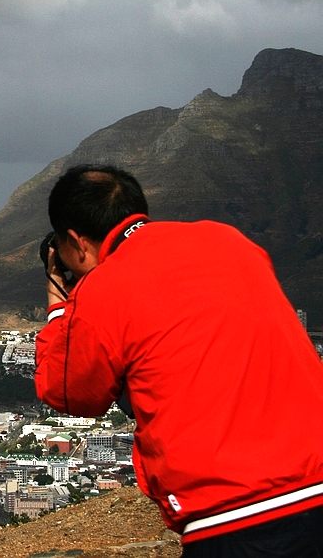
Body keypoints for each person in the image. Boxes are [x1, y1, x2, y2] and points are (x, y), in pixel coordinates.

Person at [34, 164, 323, 556]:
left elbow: (67, 392)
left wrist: (59, 306)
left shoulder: (104, 288)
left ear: (77, 241)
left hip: (235, 513)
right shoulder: (229, 241)